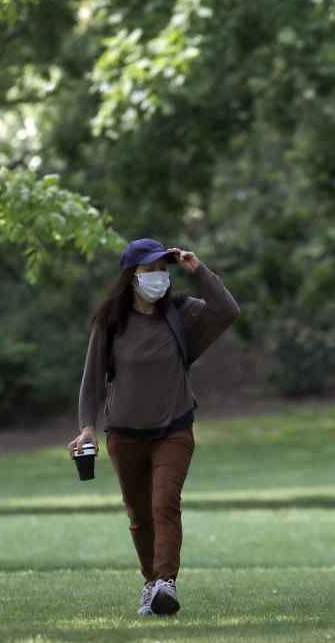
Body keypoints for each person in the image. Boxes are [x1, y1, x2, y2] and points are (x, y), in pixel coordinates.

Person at [68, 238, 240, 616]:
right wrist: (86, 428)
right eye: (150, 271)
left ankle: (167, 583)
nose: (159, 278)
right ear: (132, 277)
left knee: (165, 505)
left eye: (164, 270)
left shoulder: (183, 313)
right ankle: (150, 584)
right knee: (139, 514)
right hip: (124, 433)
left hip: (174, 428)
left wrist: (198, 271)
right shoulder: (111, 322)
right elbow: (93, 377)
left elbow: (227, 310)